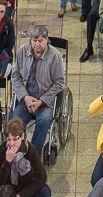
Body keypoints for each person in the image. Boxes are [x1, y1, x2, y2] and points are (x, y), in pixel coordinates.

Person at [10, 25, 65, 154]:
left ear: (46, 40)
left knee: (44, 120)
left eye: (40, 41)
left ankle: (34, 154)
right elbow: (15, 76)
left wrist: (40, 102)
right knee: (15, 124)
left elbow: (59, 83)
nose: (37, 44)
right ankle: (16, 152)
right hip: (25, 99)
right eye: (34, 41)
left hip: (44, 101)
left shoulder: (55, 55)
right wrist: (25, 97)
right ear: (30, 40)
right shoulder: (23, 51)